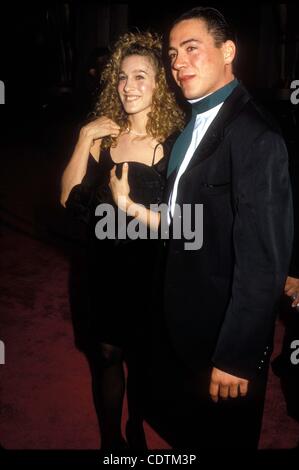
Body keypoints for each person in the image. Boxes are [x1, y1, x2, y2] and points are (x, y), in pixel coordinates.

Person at [110, 7, 294, 449]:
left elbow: (263, 261)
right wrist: (127, 206)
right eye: (173, 54)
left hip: (222, 331)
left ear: (228, 51)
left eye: (192, 49)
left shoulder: (255, 136)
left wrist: (237, 355)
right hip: (182, 317)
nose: (178, 64)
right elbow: (186, 220)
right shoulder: (193, 122)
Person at [60, 31, 184, 450]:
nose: (128, 86)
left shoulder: (178, 144)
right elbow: (67, 199)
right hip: (104, 269)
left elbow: (183, 223)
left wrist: (128, 204)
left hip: (153, 272)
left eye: (141, 77)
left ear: (159, 84)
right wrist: (82, 137)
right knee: (108, 357)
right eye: (122, 77)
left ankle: (136, 423)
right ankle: (112, 441)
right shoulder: (103, 137)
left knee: (146, 363)